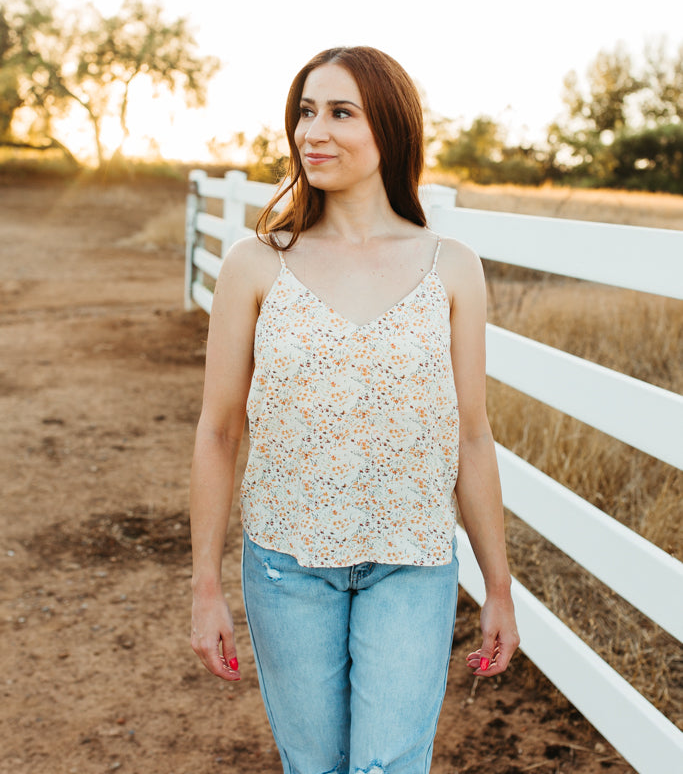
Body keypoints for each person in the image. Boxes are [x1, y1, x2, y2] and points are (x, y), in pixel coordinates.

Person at [190, 46, 520, 774]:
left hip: (412, 563)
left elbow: (470, 436)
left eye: (341, 112)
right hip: (286, 565)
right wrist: (205, 586)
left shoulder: (450, 266)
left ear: (390, 130)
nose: (315, 131)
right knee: (313, 767)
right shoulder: (258, 263)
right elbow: (218, 432)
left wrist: (498, 587)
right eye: (306, 112)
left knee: (389, 767)